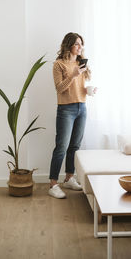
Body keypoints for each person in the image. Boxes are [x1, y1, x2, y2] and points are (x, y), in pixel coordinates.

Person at [49, 32, 97, 198]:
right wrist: (73, 74)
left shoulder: (80, 63)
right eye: (77, 44)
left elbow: (79, 87)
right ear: (68, 45)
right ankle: (53, 184)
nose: (80, 47)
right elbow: (60, 88)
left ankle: (69, 178)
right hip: (66, 110)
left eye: (81, 44)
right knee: (61, 147)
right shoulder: (58, 64)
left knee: (74, 146)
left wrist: (89, 90)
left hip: (81, 108)